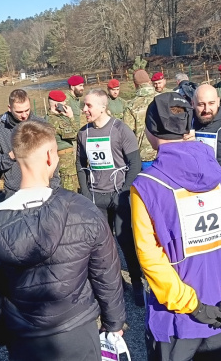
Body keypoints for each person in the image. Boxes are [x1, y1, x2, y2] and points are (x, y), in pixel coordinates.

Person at [0, 120, 126, 361]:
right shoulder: (83, 210)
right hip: (78, 331)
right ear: (50, 157)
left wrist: (3, 331)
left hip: (24, 339)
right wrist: (113, 322)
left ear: (16, 158)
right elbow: (107, 274)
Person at [132, 93, 221, 360]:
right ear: (188, 127)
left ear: (151, 129)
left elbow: (150, 257)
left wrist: (194, 306)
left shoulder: (145, 186)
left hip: (177, 319)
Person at [77, 89, 143, 305]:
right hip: (97, 198)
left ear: (103, 107)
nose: (84, 109)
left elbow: (135, 164)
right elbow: (80, 164)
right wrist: (86, 193)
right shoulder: (83, 134)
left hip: (119, 196)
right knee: (101, 248)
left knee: (125, 242)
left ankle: (137, 283)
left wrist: (123, 191)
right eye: (84, 105)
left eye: (88, 106)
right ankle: (111, 287)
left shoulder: (120, 130)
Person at [0, 89, 60, 197]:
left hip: (45, 189)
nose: (24, 115)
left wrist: (53, 187)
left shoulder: (42, 125)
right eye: (19, 112)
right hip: (15, 192)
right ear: (9, 108)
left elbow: (53, 158)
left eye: (27, 110)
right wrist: (9, 157)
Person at [45, 90, 79, 192]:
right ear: (57, 105)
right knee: (70, 190)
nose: (65, 106)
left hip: (60, 158)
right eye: (63, 103)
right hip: (65, 160)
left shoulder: (50, 118)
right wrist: (71, 116)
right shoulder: (55, 121)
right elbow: (75, 135)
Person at [126, 69, 158, 167]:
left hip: (143, 156)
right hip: (165, 152)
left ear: (135, 85)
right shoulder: (164, 99)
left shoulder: (131, 105)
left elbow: (127, 133)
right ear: (149, 81)